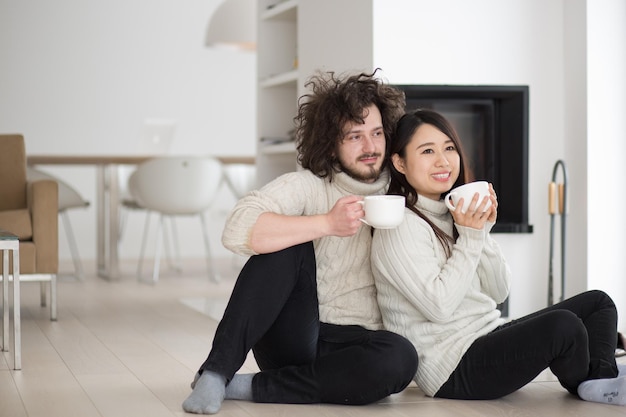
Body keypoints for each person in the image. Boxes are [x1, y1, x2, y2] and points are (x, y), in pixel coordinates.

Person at [182, 70, 418, 414]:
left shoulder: (400, 190)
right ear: (331, 143)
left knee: (401, 357)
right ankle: (217, 372)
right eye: (354, 136)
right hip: (296, 335)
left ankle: (246, 387)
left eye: (377, 133)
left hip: (357, 345)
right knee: (285, 242)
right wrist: (325, 223)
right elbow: (235, 229)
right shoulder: (309, 186)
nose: (370, 147)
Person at [370, 108, 625, 405]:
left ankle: (602, 381)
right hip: (453, 367)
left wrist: (482, 231)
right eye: (427, 151)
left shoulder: (453, 213)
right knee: (564, 326)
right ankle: (596, 381)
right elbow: (439, 306)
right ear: (399, 162)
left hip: (487, 335)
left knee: (599, 303)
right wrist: (472, 236)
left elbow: (499, 290)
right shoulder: (399, 226)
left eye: (449, 148)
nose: (443, 161)